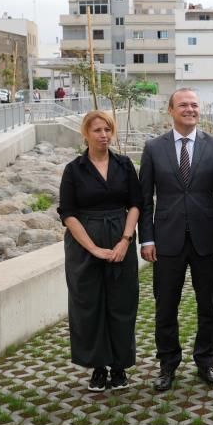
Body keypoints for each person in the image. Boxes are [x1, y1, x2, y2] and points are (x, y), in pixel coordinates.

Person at [139, 87, 213, 391]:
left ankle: (206, 362)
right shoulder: (153, 147)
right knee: (165, 306)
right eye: (183, 105)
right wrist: (147, 239)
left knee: (209, 307)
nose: (190, 109)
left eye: (194, 104)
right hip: (166, 241)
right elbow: (145, 201)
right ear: (170, 110)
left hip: (208, 241)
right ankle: (167, 365)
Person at [58, 110, 141, 393]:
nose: (103, 135)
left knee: (121, 303)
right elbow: (67, 213)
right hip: (84, 244)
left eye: (107, 129)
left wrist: (125, 240)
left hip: (121, 237)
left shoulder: (125, 164)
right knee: (89, 305)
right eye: (97, 130)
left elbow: (136, 204)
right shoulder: (74, 169)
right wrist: (93, 248)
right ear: (85, 134)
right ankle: (97, 367)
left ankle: (119, 366)